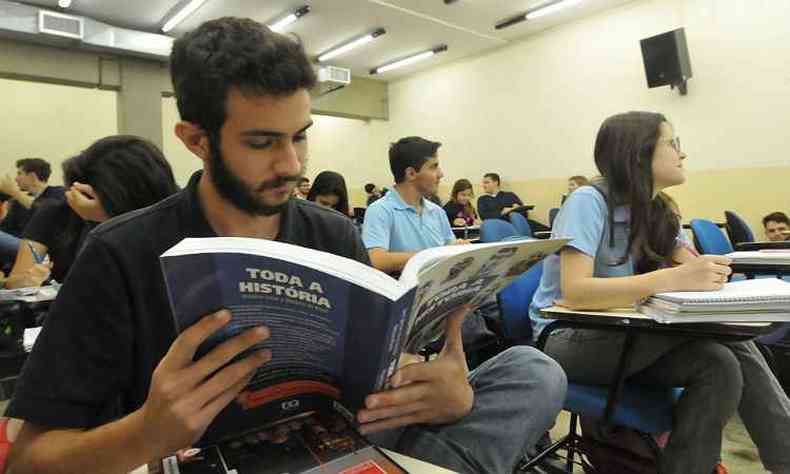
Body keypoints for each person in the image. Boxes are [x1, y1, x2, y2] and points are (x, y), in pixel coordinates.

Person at [6, 18, 566, 474]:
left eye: (299, 135)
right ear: (196, 140)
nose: (292, 165)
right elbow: (29, 459)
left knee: (533, 371)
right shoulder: (120, 253)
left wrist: (445, 395)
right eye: (261, 142)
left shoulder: (332, 232)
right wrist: (146, 432)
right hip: (203, 456)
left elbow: (374, 384)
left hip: (341, 439)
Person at [529, 111, 790, 474]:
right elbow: (575, 292)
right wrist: (675, 279)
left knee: (721, 364)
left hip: (629, 332)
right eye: (673, 143)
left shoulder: (658, 209)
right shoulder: (589, 201)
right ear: (639, 154)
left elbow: (691, 264)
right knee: (733, 343)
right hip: (569, 337)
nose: (682, 154)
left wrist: (706, 272)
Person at [3, 135, 179, 289]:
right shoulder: (56, 213)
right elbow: (16, 281)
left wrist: (103, 220)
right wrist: (25, 281)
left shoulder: (169, 215)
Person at [362, 137, 461, 274]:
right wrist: (431, 256)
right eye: (433, 167)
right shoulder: (380, 210)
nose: (441, 174)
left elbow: (448, 249)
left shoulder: (437, 211)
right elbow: (376, 259)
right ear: (411, 173)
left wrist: (459, 250)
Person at [0, 158, 65, 263]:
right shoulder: (18, 202)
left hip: (42, 250)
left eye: (19, 174)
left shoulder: (59, 193)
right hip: (19, 245)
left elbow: (51, 215)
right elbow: (6, 229)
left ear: (32, 177)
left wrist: (15, 193)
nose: (16, 179)